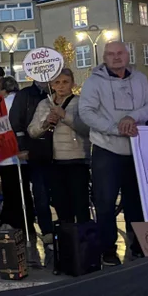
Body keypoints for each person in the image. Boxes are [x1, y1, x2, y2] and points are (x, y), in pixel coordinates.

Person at [79, 41, 148, 265]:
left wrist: (133, 117)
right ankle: (107, 249)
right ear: (104, 57)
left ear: (127, 55)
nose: (116, 57)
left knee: (139, 201)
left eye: (120, 53)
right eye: (110, 54)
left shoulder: (140, 79)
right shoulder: (94, 82)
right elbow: (86, 111)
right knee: (105, 202)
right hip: (107, 149)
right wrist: (115, 128)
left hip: (137, 150)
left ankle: (142, 245)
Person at [28, 69, 91, 225]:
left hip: (77, 159)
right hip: (53, 161)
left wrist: (65, 116)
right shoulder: (44, 104)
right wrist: (46, 122)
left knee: (81, 205)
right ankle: (67, 241)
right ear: (51, 85)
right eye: (57, 82)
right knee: (61, 205)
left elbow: (87, 128)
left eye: (65, 82)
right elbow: (32, 131)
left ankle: (84, 242)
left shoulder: (80, 102)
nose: (61, 86)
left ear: (72, 83)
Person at [10, 78, 53, 245]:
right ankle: (47, 229)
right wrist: (21, 147)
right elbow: (16, 122)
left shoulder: (54, 92)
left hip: (57, 149)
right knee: (40, 191)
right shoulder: (25, 95)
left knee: (55, 191)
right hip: (36, 149)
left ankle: (63, 227)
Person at [0, 78, 36, 233]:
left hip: (6, 156)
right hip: (24, 153)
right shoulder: (25, 101)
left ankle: (13, 222)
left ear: (3, 90)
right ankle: (27, 221)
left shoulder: (1, 105)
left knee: (10, 190)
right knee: (24, 189)